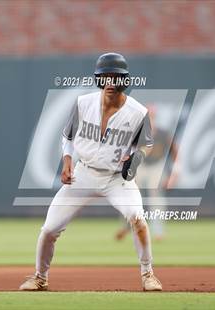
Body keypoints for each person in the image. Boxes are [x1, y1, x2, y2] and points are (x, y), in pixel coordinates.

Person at [19, 52, 162, 291]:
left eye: (114, 77)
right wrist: (66, 160)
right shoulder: (83, 103)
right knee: (49, 229)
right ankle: (40, 277)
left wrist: (137, 157)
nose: (109, 82)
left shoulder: (138, 113)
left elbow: (146, 144)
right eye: (104, 77)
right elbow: (67, 136)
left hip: (117, 178)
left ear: (124, 80)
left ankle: (148, 274)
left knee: (137, 219)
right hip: (83, 174)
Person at [115, 105, 179, 241]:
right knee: (130, 196)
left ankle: (158, 231)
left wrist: (175, 173)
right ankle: (127, 226)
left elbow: (175, 152)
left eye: (151, 115)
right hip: (140, 165)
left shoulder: (163, 133)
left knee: (156, 199)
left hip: (157, 166)